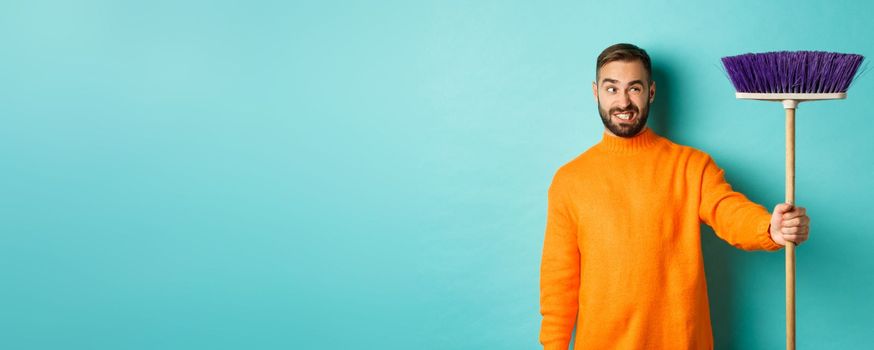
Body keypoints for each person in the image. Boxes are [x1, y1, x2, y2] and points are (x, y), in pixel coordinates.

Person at [538, 43, 811, 350]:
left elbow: (728, 211)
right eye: (612, 89)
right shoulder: (570, 180)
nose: (623, 101)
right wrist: (553, 346)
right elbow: (558, 279)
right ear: (595, 92)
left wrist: (769, 228)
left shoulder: (690, 166)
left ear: (651, 92)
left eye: (634, 88)